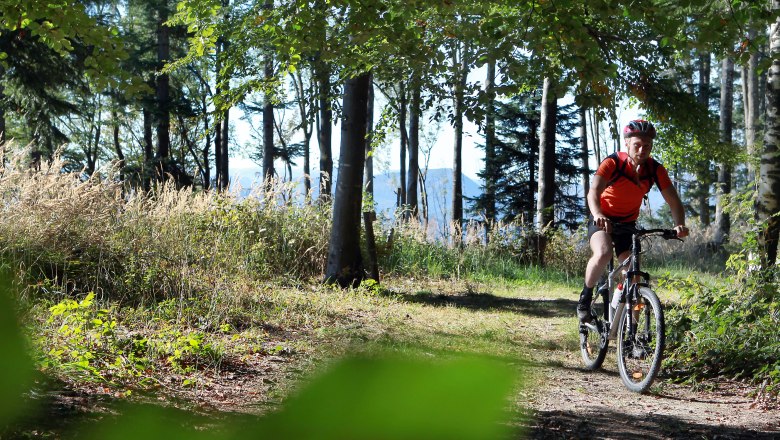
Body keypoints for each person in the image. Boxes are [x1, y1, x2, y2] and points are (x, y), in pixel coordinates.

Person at [577, 119, 689, 323]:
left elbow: (674, 201)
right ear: (627, 143)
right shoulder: (612, 163)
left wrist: (679, 224)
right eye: (637, 144)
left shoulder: (655, 170)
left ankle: (633, 333)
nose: (642, 149)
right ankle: (585, 299)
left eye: (647, 146)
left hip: (627, 224)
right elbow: (593, 193)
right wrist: (598, 214)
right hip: (602, 219)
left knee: (634, 277)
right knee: (603, 252)